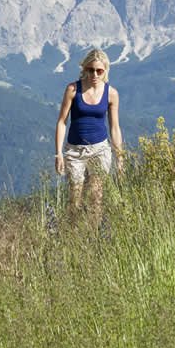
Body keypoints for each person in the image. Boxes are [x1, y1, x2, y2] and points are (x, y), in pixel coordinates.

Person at [55, 48, 123, 222]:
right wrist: (59, 154)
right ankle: (73, 235)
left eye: (99, 71)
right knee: (74, 197)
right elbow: (62, 121)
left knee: (96, 197)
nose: (94, 74)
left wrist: (119, 158)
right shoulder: (72, 90)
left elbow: (114, 127)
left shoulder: (111, 94)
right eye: (90, 69)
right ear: (84, 69)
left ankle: (92, 238)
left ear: (105, 70)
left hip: (100, 149)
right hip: (75, 151)